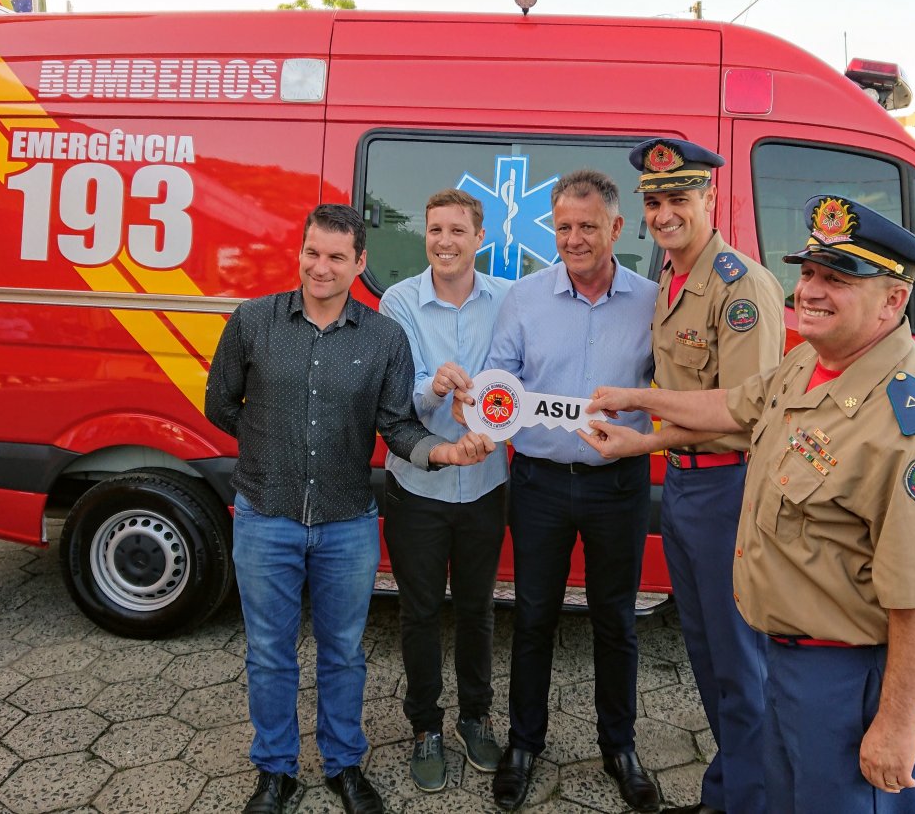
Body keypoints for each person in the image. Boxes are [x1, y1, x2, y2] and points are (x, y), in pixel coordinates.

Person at [582, 196, 915, 814]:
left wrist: (897, 727)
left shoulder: (913, 426)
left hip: (851, 680)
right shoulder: (811, 363)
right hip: (787, 661)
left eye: (838, 280)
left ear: (893, 301)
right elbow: (732, 405)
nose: (811, 292)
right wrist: (636, 408)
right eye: (811, 273)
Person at [205, 203, 495, 814]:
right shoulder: (254, 321)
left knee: (342, 653)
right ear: (301, 251)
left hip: (347, 522)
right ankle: (276, 772)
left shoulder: (383, 336)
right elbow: (220, 403)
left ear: (358, 263)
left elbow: (395, 426)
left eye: (337, 256)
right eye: (313, 252)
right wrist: (267, 446)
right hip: (266, 514)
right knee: (269, 653)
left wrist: (444, 454)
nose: (321, 266)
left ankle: (343, 766)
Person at [456, 169, 663, 813]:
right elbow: (502, 382)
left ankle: (619, 748)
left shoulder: (654, 301)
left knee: (616, 621)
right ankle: (524, 745)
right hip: (541, 482)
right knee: (535, 616)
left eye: (588, 226)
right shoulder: (523, 298)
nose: (574, 239)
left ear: (616, 229)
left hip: (619, 485)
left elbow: (672, 387)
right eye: (564, 227)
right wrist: (488, 409)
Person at [625, 138, 784, 814]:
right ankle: (730, 790)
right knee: (708, 658)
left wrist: (638, 428)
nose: (665, 213)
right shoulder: (673, 275)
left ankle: (754, 801)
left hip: (729, 488)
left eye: (679, 198)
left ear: (709, 198)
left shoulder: (739, 284)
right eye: (655, 201)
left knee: (742, 670)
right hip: (687, 486)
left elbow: (744, 414)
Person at [377, 189, 511, 791]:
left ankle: (475, 718)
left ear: (479, 238)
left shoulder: (507, 300)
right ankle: (425, 726)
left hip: (486, 484)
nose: (445, 241)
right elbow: (389, 401)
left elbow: (522, 383)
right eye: (435, 230)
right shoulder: (398, 302)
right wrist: (434, 388)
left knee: (479, 610)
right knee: (421, 613)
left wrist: (497, 417)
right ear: (424, 235)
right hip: (418, 488)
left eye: (458, 230)